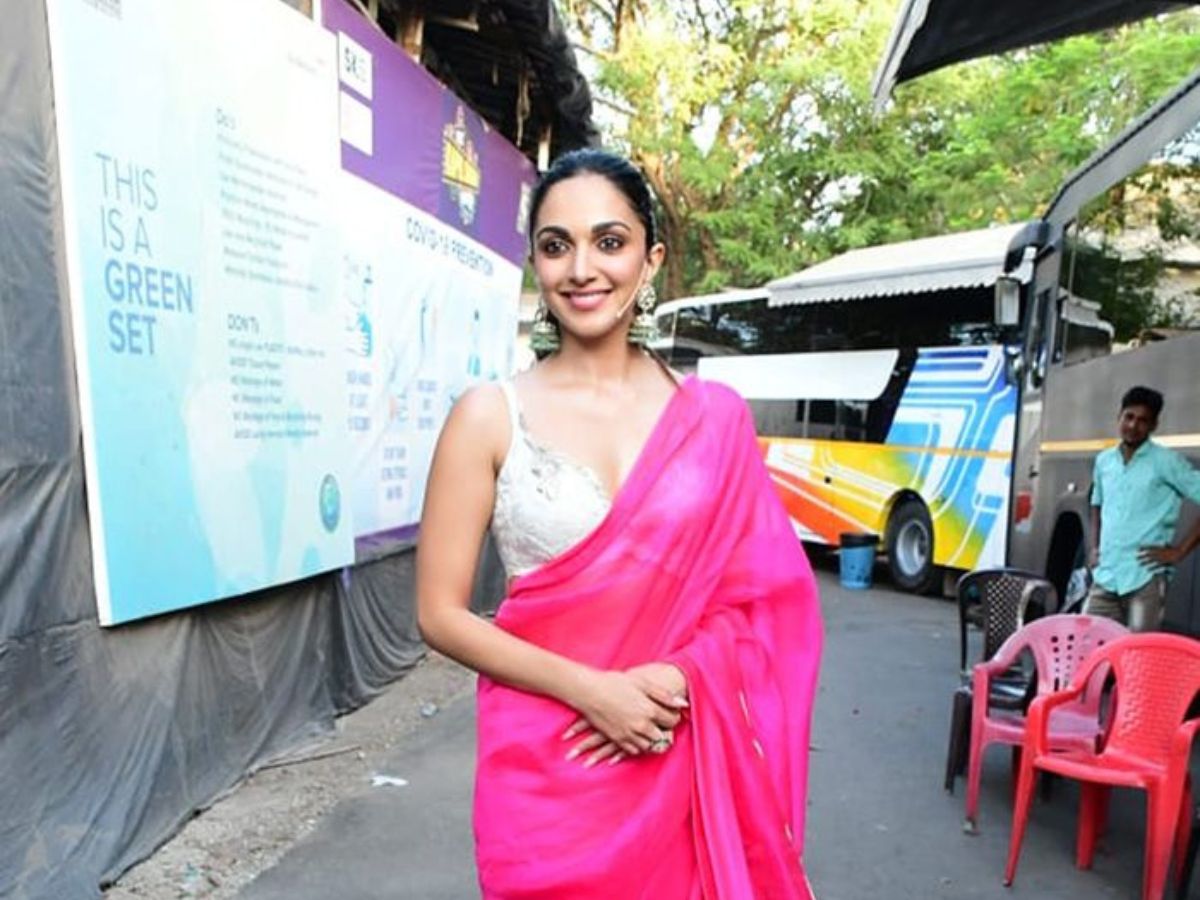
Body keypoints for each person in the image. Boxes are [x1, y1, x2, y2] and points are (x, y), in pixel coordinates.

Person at [415, 148, 823, 899]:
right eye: (555, 245)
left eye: (609, 241)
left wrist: (676, 675)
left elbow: (764, 602)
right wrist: (591, 691)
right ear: (535, 263)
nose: (582, 269)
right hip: (543, 770)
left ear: (650, 259)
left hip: (671, 746)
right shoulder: (487, 416)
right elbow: (440, 614)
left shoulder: (714, 420)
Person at [1085, 385, 1200, 631]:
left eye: (1143, 420)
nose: (1133, 426)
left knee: (1138, 657)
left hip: (1145, 577)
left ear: (1153, 425)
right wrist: (1093, 547)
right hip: (1106, 576)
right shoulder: (1104, 461)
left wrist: (1179, 552)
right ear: (1119, 416)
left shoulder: (1166, 462)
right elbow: (1096, 503)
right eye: (1129, 417)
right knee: (1088, 647)